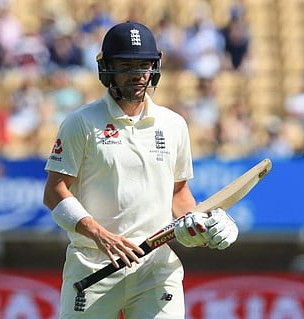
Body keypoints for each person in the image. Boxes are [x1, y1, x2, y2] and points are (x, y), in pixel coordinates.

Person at [43, 21, 238, 319]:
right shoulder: (80, 123)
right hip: (94, 265)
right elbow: (55, 191)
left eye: (144, 64)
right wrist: (99, 234)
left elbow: (179, 192)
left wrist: (202, 225)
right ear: (107, 68)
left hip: (156, 268)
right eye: (126, 65)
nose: (137, 75)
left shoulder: (173, 124)